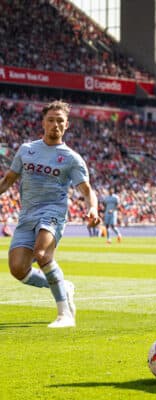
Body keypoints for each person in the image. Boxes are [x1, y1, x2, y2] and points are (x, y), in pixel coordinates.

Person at [0, 100, 100, 328]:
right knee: (18, 270)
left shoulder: (72, 158)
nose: (55, 124)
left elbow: (87, 191)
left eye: (60, 121)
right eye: (51, 120)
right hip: (27, 216)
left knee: (43, 254)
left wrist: (92, 208)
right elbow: (8, 180)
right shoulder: (27, 150)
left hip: (52, 213)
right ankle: (63, 285)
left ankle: (65, 314)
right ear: (43, 122)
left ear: (67, 126)